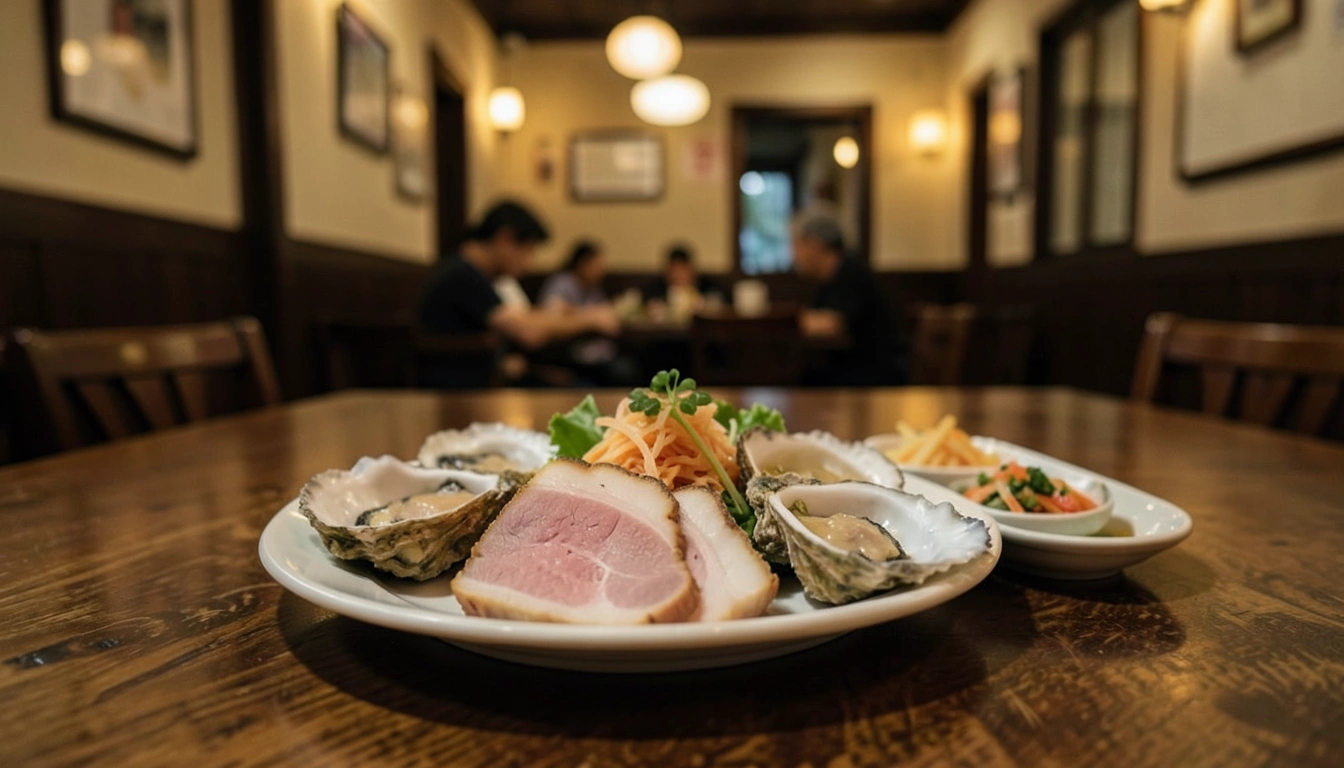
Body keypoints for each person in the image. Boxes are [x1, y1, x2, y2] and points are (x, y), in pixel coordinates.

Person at [418, 201, 619, 386]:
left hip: (480, 379)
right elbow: (528, 331)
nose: (528, 262)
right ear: (504, 238)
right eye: (528, 251)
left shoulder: (473, 273)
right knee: (583, 389)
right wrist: (590, 319)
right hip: (459, 390)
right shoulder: (463, 275)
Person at [791, 212, 902, 385]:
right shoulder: (827, 279)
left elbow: (832, 324)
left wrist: (784, 321)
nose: (794, 254)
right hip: (848, 370)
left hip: (870, 375)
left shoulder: (851, 274)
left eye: (796, 245)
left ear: (814, 245)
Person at [539, 241, 608, 309]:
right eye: (596, 266)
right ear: (581, 265)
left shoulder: (593, 288)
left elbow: (603, 308)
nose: (601, 271)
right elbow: (550, 307)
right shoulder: (562, 282)